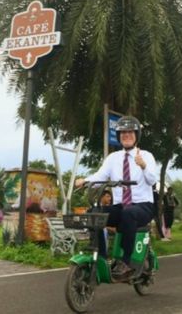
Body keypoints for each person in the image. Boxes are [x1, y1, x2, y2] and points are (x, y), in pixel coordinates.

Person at [75, 116, 156, 281]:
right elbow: (100, 176)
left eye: (130, 132)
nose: (126, 135)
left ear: (137, 135)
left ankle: (125, 261)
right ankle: (102, 258)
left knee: (129, 214)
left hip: (143, 206)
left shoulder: (146, 156)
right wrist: (84, 181)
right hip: (121, 206)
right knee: (94, 212)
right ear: (119, 136)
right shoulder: (113, 158)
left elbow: (152, 180)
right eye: (123, 133)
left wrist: (143, 166)